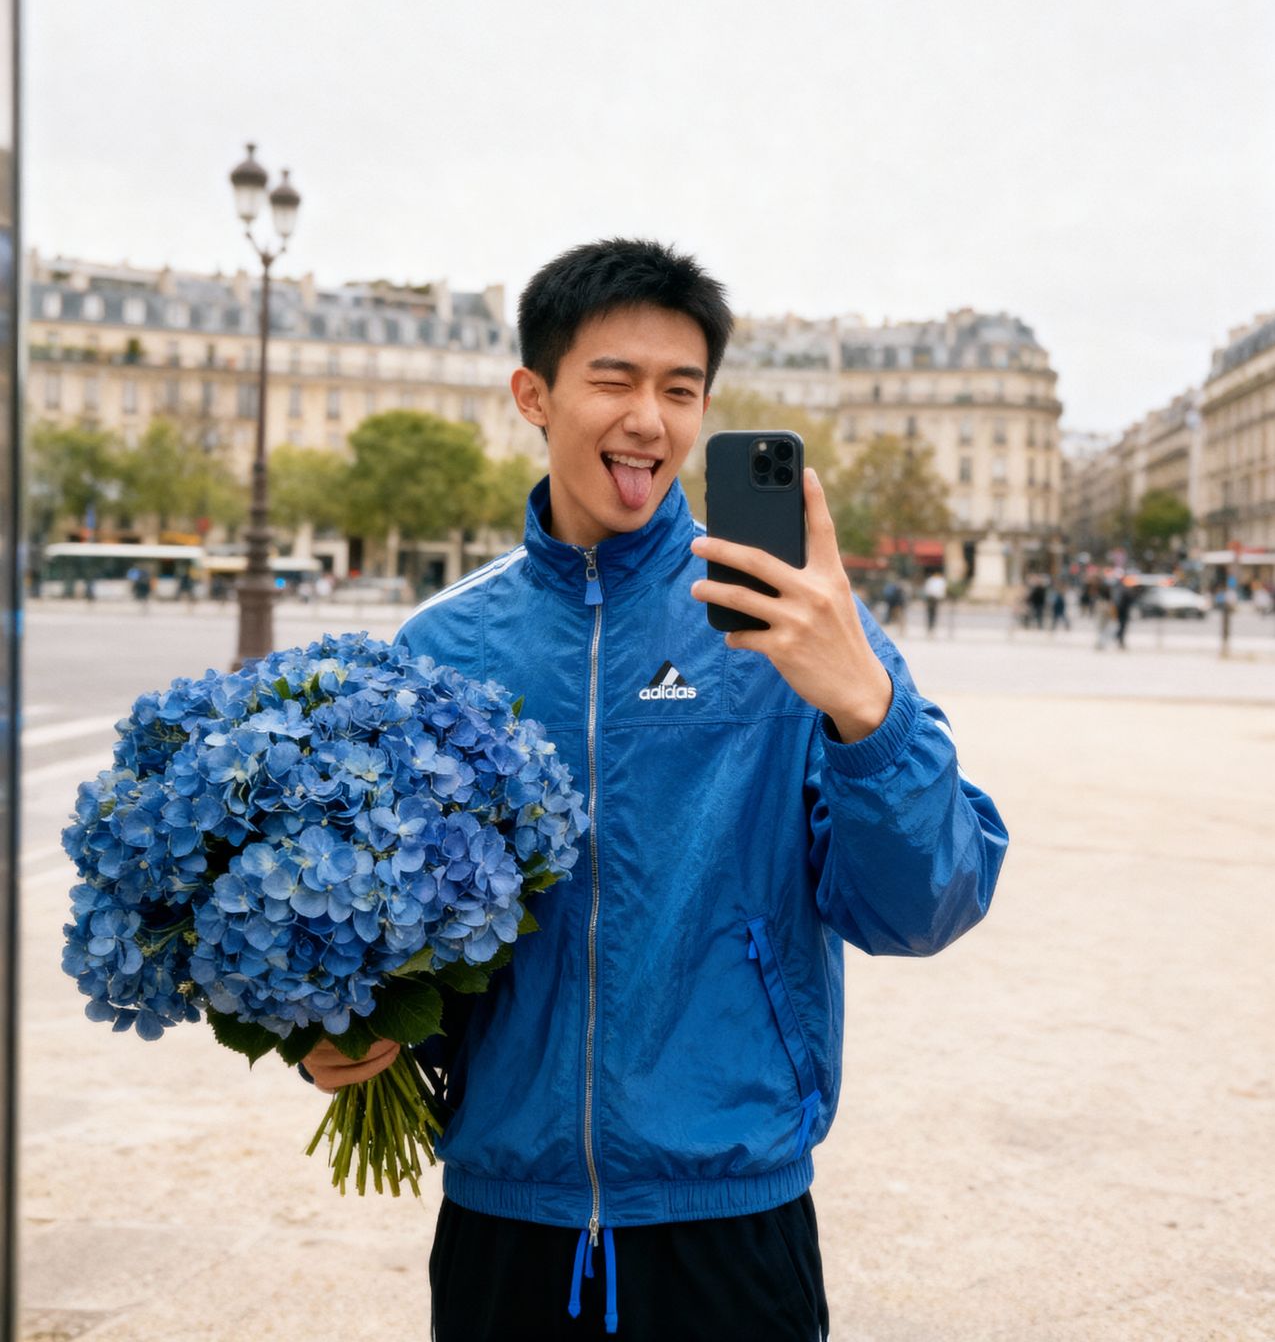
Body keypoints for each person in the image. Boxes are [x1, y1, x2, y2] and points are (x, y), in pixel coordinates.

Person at [301, 239, 1008, 1342]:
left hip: (731, 1220)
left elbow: (927, 906)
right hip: (503, 1225)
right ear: (533, 393)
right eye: (615, 379)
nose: (650, 418)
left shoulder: (794, 626)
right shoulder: (442, 645)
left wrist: (868, 710)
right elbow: (417, 943)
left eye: (681, 390)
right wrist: (346, 1027)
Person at [922, 567, 947, 635]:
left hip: (932, 598)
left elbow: (927, 589)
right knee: (932, 613)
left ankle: (931, 627)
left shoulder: (932, 580)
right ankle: (931, 626)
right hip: (934, 598)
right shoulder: (940, 580)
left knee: (932, 613)